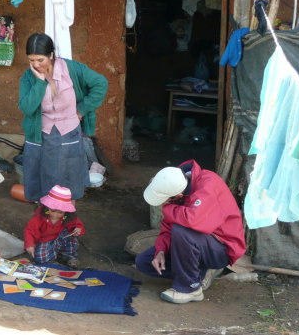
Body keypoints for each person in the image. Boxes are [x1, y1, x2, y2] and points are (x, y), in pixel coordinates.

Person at [135, 160, 246, 304]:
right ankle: (199, 273)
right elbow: (169, 225)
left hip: (221, 248)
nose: (163, 203)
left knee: (181, 230)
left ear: (179, 195)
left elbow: (192, 221)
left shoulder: (208, 185)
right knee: (144, 262)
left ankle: (190, 288)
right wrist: (161, 251)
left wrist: (168, 208)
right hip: (199, 245)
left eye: (165, 200)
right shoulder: (176, 183)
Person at [19, 33, 108, 203]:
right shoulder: (28, 77)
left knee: (68, 185)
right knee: (41, 183)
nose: (36, 65)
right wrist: (39, 83)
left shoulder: (73, 69)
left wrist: (81, 109)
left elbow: (100, 83)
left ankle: (66, 222)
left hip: (68, 133)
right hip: (40, 136)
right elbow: (27, 108)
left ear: (51, 55)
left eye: (40, 60)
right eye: (31, 60)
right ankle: (45, 221)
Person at [24, 186, 84, 268]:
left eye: (60, 213)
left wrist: (77, 230)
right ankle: (57, 253)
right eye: (52, 211)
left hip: (62, 238)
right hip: (46, 241)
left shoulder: (68, 216)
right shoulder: (40, 215)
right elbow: (30, 230)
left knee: (72, 233)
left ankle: (70, 256)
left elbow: (78, 225)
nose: (55, 215)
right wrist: (29, 245)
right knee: (39, 258)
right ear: (47, 207)